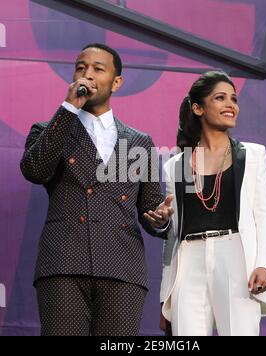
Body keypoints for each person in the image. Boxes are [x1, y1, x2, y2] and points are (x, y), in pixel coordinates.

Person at [20, 43, 173, 336]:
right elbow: (34, 170)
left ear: (116, 82)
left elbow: (151, 209)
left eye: (97, 69)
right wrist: (67, 109)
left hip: (122, 269)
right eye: (81, 67)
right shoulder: (48, 128)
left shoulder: (139, 142)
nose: (87, 74)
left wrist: (161, 218)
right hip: (63, 264)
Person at [159, 71, 266, 336]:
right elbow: (171, 239)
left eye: (233, 99)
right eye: (220, 98)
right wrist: (165, 294)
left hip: (236, 257)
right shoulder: (176, 166)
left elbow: (264, 214)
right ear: (198, 108)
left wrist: (263, 264)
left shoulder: (253, 155)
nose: (231, 105)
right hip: (188, 262)